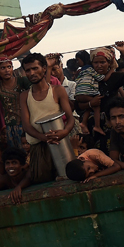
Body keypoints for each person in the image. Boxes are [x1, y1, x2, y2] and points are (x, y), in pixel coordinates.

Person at [17, 53, 76, 186]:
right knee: (42, 182)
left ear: (44, 68)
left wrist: (65, 132)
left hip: (61, 143)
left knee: (68, 179)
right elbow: (26, 126)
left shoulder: (57, 90)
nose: (31, 73)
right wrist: (43, 137)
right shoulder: (24, 96)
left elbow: (70, 118)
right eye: (28, 70)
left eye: (35, 68)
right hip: (39, 147)